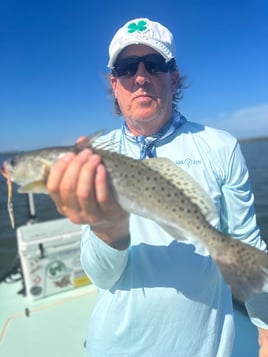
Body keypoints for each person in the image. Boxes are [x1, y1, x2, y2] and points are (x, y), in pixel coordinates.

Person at [47, 18, 268, 356]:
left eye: (154, 65)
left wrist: (265, 325)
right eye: (126, 67)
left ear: (173, 77)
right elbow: (102, 277)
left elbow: (245, 242)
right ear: (114, 83)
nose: (140, 77)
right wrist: (107, 228)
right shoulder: (91, 157)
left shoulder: (220, 146)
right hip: (114, 344)